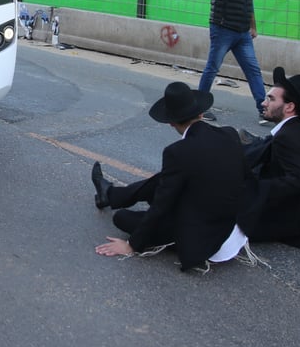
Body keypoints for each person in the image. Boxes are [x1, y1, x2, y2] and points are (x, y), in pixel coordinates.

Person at [90, 81, 247, 271]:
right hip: (235, 225)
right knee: (166, 178)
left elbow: (162, 204)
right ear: (201, 113)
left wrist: (132, 244)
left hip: (206, 237)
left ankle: (113, 197)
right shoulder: (229, 134)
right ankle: (112, 194)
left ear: (171, 122)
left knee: (122, 218)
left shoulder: (178, 151)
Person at [237, 68, 300, 247]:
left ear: (290, 107)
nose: (263, 103)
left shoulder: (286, 137)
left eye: (271, 99)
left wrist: (256, 189)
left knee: (227, 217)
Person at [197, 0, 267, 125]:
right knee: (212, 68)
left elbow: (248, 1)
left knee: (253, 70)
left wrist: (253, 26)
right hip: (223, 29)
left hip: (243, 32)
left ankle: (264, 108)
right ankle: (199, 108)